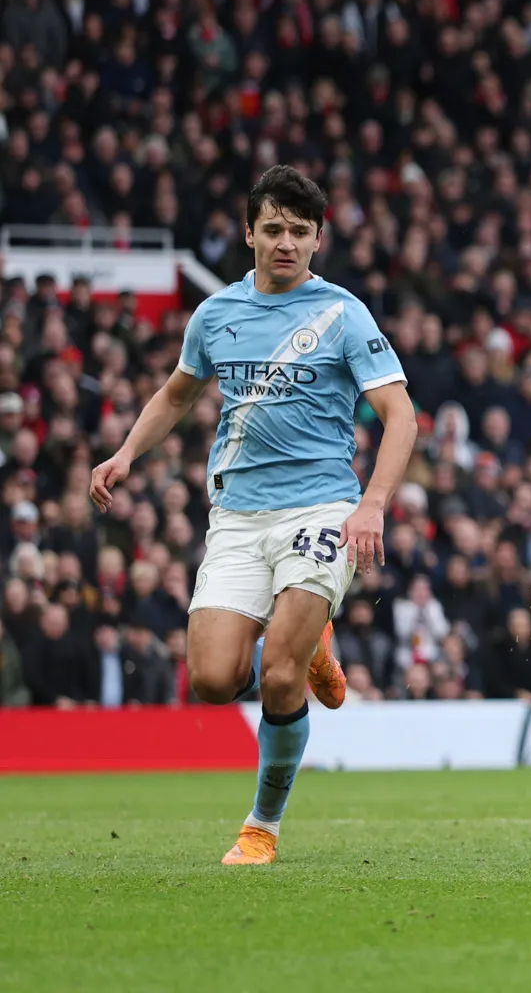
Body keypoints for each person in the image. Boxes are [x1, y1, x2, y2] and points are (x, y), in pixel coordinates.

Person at [88, 166, 417, 864]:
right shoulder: (215, 315)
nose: (286, 243)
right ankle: (312, 653)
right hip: (235, 517)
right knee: (211, 679)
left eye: (300, 232)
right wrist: (125, 454)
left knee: (277, 676)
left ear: (318, 239)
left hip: (321, 508)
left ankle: (261, 826)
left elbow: (401, 415)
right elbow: (177, 396)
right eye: (273, 229)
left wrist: (373, 504)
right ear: (249, 233)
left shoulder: (343, 313)